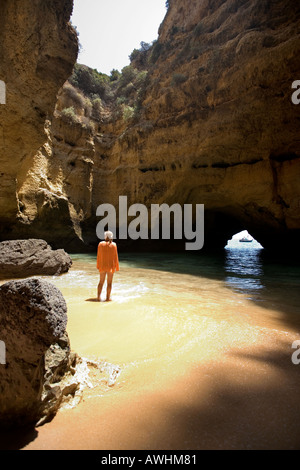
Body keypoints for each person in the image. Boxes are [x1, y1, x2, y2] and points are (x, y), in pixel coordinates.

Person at [96, 231, 119, 301]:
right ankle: (108, 298)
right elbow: (116, 257)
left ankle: (98, 297)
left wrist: (98, 265)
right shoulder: (114, 245)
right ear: (111, 237)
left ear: (105, 236)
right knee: (109, 283)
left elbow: (98, 256)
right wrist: (116, 266)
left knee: (101, 282)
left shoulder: (100, 244)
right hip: (110, 267)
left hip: (102, 265)